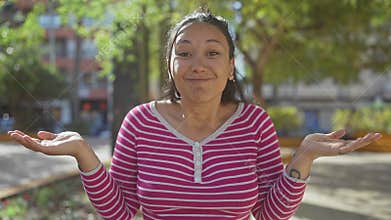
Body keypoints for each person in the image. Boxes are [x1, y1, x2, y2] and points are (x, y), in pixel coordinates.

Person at [8, 10, 382, 220]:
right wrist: (84, 155)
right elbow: (120, 212)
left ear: (231, 67)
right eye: (184, 53)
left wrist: (303, 158)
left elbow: (269, 215)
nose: (198, 64)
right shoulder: (139, 121)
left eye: (213, 53)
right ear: (171, 66)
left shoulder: (255, 124)